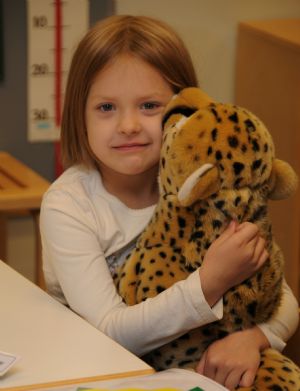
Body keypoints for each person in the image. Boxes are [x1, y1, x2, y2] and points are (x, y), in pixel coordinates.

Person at [40, 15, 299, 390]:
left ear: (185, 109)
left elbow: (283, 297)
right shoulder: (68, 205)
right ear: (79, 114)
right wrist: (210, 282)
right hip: (101, 374)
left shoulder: (208, 184)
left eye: (149, 106)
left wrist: (254, 338)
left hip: (201, 370)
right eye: (106, 108)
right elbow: (110, 331)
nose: (128, 124)